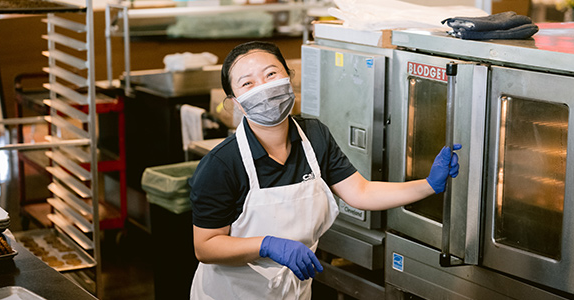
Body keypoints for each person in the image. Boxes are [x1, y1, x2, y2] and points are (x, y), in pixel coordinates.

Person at [188, 41, 462, 299]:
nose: (264, 88)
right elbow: (207, 245)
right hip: (231, 293)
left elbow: (360, 192)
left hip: (292, 292)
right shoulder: (222, 164)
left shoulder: (314, 136)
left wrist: (427, 185)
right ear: (236, 102)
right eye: (248, 83)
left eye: (271, 74)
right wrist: (267, 245)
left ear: (289, 77)